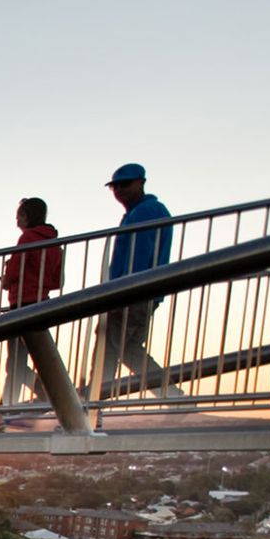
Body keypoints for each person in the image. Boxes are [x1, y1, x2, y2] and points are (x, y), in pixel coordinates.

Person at [92, 163, 179, 398]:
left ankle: (91, 412)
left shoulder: (145, 212)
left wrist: (119, 292)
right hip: (145, 294)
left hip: (131, 294)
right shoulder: (144, 211)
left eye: (125, 184)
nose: (119, 190)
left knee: (106, 351)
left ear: (141, 182)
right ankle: (173, 397)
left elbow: (138, 257)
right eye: (115, 187)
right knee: (129, 349)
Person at [0, 197, 65, 428]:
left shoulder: (28, 239)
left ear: (26, 216)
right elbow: (56, 281)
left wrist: (6, 279)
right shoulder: (55, 244)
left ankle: (15, 407)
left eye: (19, 215)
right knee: (32, 358)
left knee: (15, 362)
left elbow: (13, 273)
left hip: (21, 305)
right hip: (42, 303)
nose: (16, 219)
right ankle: (12, 408)